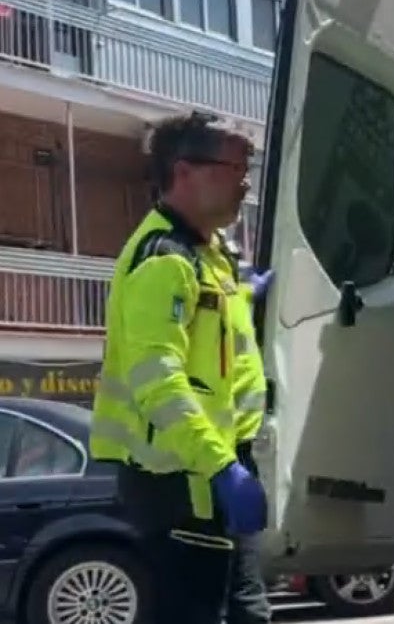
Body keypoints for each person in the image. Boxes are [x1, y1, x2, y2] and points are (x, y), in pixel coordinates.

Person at [89, 111, 268, 624]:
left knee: (248, 614)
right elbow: (157, 380)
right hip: (182, 479)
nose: (247, 181)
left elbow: (210, 339)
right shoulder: (164, 258)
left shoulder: (209, 254)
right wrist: (221, 467)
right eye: (236, 166)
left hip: (213, 468)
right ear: (185, 170)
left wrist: (250, 291)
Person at [225, 256, 275, 624]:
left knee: (242, 579)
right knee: (244, 585)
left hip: (231, 449)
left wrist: (247, 294)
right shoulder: (176, 270)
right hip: (220, 453)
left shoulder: (230, 302)